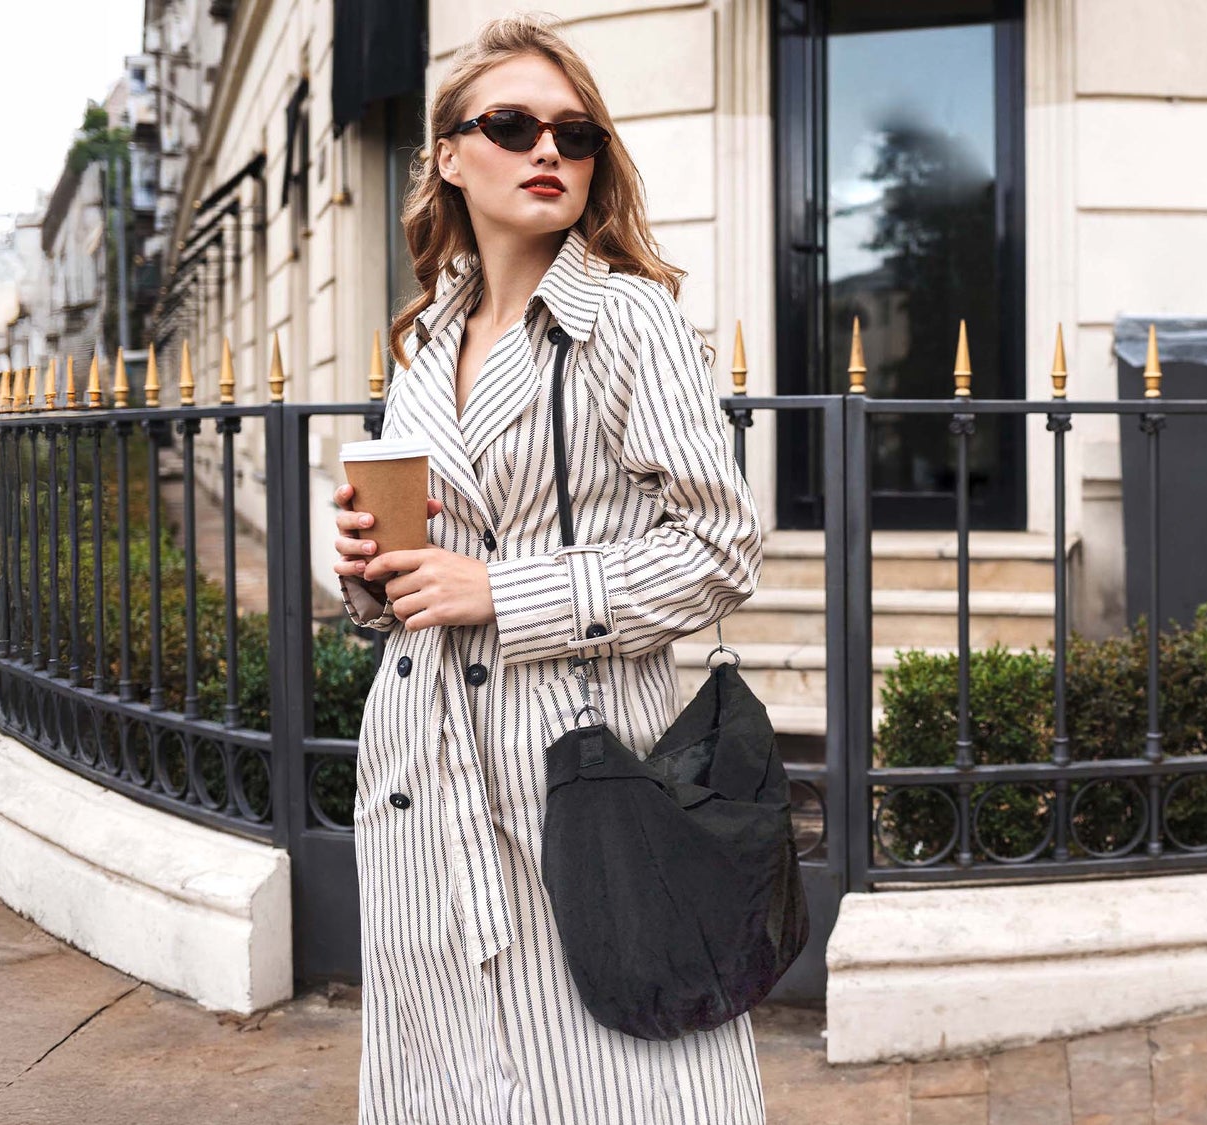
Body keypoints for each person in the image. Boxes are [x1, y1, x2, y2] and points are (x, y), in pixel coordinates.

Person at [327, 13, 766, 1124]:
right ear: (448, 155)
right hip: (419, 775)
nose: (546, 154)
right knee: (448, 1084)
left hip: (570, 767)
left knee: (625, 1077)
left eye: (574, 136)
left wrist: (502, 591)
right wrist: (370, 573)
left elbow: (721, 549)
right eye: (513, 125)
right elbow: (429, 567)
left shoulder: (626, 323)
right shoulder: (427, 337)